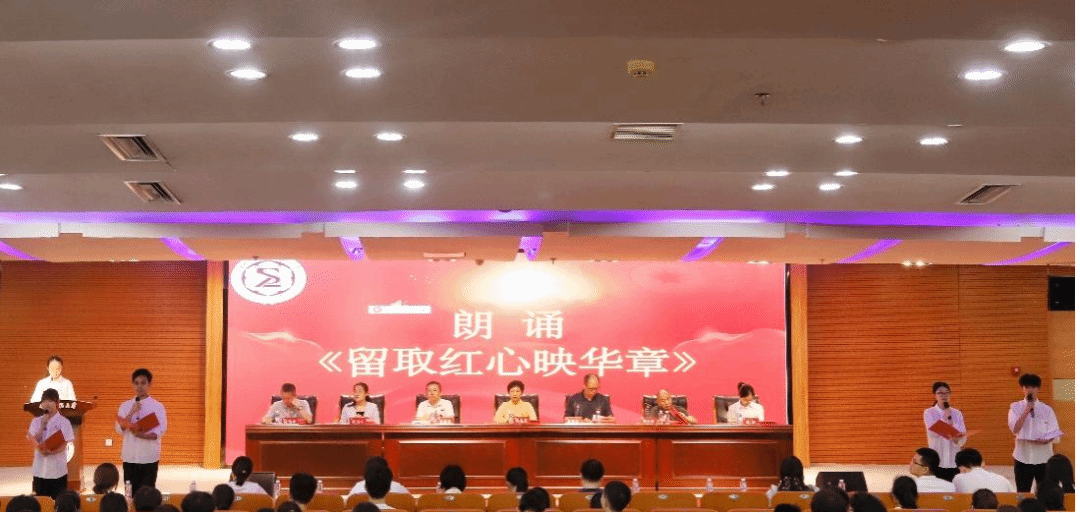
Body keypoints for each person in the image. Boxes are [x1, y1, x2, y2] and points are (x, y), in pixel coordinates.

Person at [1009, 374, 1063, 492]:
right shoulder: (1015, 407)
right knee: (1023, 492)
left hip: (1043, 457)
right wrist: (1027, 410)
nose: (1030, 390)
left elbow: (1055, 432)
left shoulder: (1047, 409)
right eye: (1027, 387)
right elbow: (1015, 429)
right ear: (1022, 388)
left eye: (1033, 387)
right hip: (1022, 456)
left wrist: (1046, 440)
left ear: (1038, 389)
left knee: (1046, 492)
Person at [115, 368, 167, 490]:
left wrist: (141, 435)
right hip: (130, 457)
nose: (139, 386)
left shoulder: (157, 406)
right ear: (133, 384)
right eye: (136, 383)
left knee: (147, 493)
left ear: (149, 384)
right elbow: (119, 429)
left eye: (143, 383)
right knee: (129, 492)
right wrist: (131, 412)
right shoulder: (125, 405)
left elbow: (160, 431)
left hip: (149, 457)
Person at [27, 388, 75, 499]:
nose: (47, 404)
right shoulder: (36, 421)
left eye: (50, 401)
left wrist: (51, 452)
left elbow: (65, 444)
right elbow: (33, 439)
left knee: (58, 501)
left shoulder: (64, 422)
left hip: (58, 471)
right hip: (39, 470)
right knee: (41, 502)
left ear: (57, 403)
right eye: (44, 401)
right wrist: (42, 425)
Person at [923, 381, 967, 481]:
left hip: (954, 460)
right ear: (935, 395)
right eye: (940, 393)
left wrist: (958, 439)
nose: (944, 395)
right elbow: (934, 431)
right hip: (937, 460)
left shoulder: (957, 413)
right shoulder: (929, 412)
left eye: (947, 392)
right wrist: (946, 419)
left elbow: (962, 435)